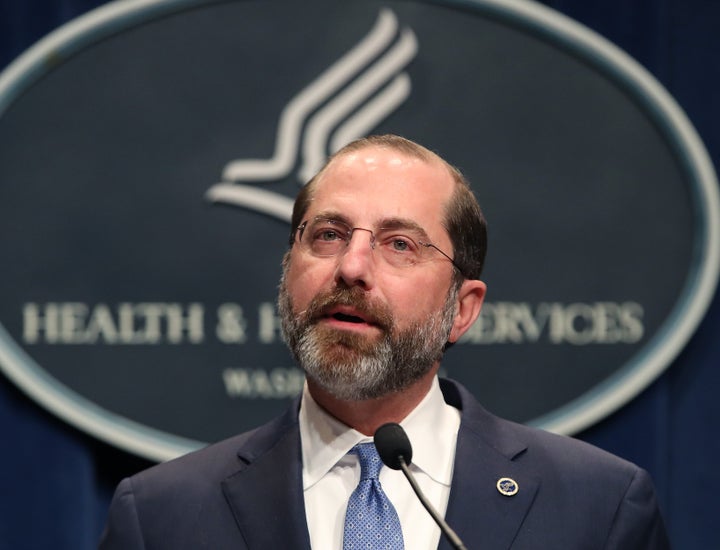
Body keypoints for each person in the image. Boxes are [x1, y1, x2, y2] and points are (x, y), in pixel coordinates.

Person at [99, 134, 670, 549]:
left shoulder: (599, 509)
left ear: (462, 310)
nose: (351, 266)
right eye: (327, 234)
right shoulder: (160, 518)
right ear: (288, 269)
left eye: (400, 245)